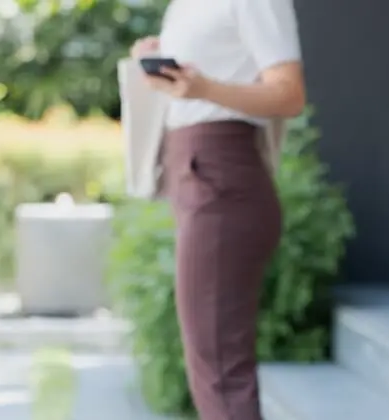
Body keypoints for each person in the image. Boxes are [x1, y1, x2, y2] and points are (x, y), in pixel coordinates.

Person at [129, 0, 305, 418]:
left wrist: (204, 88)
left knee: (221, 371)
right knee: (213, 364)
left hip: (223, 179)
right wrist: (154, 62)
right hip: (196, 175)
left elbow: (289, 94)